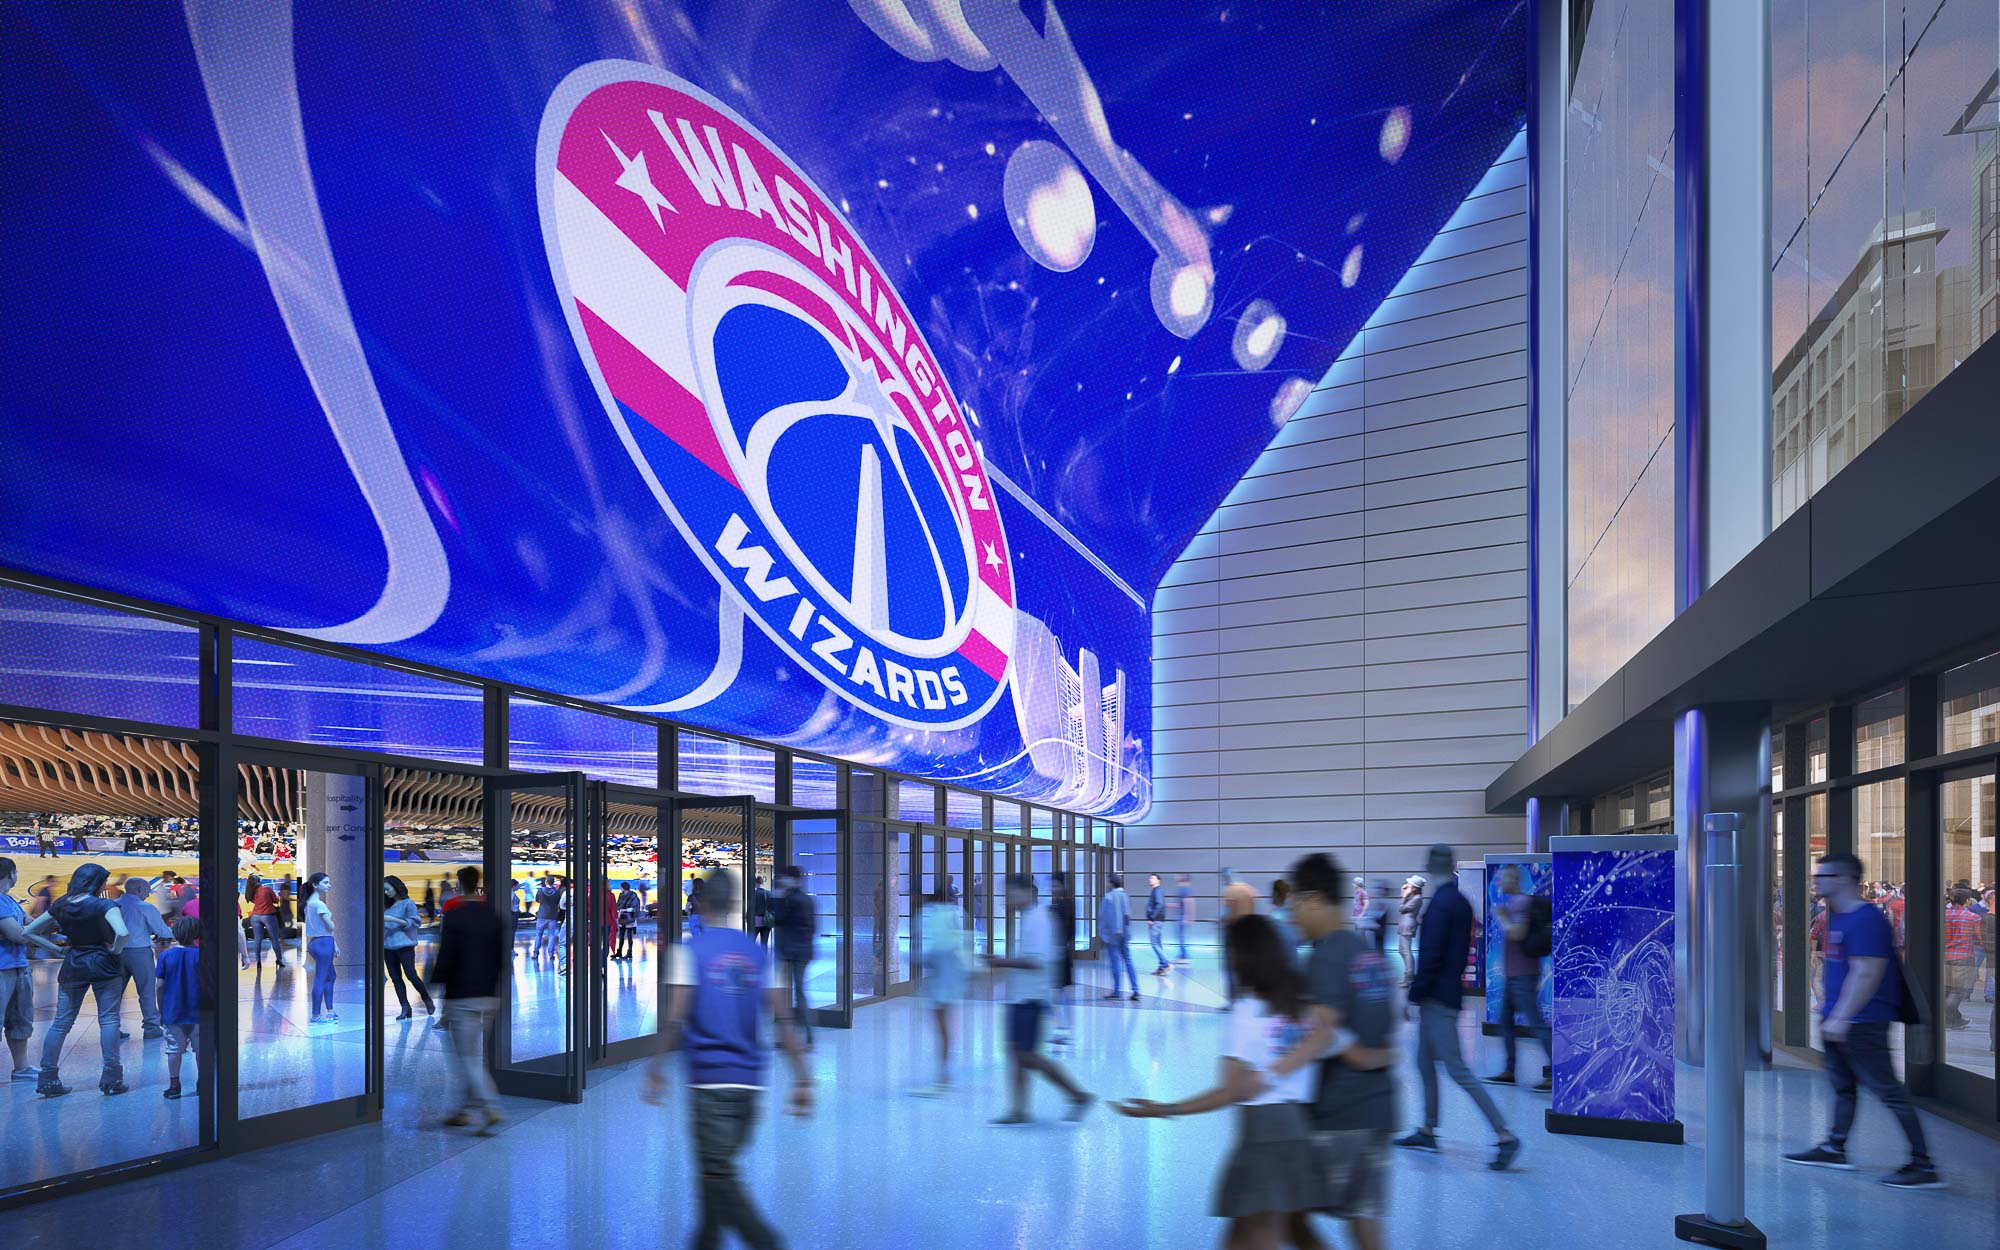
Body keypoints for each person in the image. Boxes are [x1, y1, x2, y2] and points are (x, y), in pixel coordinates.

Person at [1112, 914, 1338, 1245]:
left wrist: (1163, 1108)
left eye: (1230, 951)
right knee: (1283, 1234)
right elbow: (1329, 1039)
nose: (1227, 960)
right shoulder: (1300, 1004)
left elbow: (1231, 1091)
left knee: (1265, 1236)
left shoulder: (1248, 1011)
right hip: (1298, 1133)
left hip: (1264, 1138)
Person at [641, 869, 812, 1250]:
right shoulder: (759, 954)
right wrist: (803, 1079)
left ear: (701, 904)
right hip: (750, 1087)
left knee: (717, 1174)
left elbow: (675, 1018)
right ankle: (705, 1241)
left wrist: (655, 1071)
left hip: (709, 1085)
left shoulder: (689, 953)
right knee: (713, 1173)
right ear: (736, 904)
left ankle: (765, 1242)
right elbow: (784, 1020)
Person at [1266, 853, 1400, 1250]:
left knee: (1289, 1215)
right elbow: (1382, 1036)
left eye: (1295, 906)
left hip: (1340, 1115)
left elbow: (1321, 1034)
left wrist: (1269, 1075)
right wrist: (1376, 1057)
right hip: (1379, 1110)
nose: (1294, 917)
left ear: (1313, 899)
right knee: (1364, 1222)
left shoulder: (1325, 956)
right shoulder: (1370, 955)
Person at [1784, 853, 1940, 1187]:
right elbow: (1841, 967)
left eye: (1822, 875)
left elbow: (1867, 972)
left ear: (1843, 879)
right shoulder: (1838, 916)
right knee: (1844, 1088)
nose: (1816, 880)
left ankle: (1923, 1165)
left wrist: (1841, 1017)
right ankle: (1835, 1147)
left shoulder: (1867, 919)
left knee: (1888, 1092)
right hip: (1839, 1020)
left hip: (1863, 1023)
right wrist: (1828, 1006)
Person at [1396, 843, 1519, 1170]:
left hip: (1438, 998)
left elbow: (1432, 957)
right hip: (1448, 993)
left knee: (1457, 1069)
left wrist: (1412, 996)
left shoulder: (1440, 906)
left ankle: (1504, 1134)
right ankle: (1427, 1129)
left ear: (1432, 867)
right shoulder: (1461, 902)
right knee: (1423, 1061)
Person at [985, 875, 1092, 1125]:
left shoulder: (1040, 919)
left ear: (1026, 892)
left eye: (1010, 894)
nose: (1007, 899)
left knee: (1027, 1056)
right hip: (1020, 997)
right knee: (1016, 1053)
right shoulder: (1029, 918)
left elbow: (1038, 960)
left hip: (1030, 998)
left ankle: (1077, 1095)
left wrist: (1001, 962)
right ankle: (1019, 1110)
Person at [36, 864, 133, 1097]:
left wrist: (56, 950)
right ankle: (111, 1078)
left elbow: (28, 931)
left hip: (73, 964)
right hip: (104, 965)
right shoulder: (105, 904)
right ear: (96, 882)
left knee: (60, 1023)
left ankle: (47, 1078)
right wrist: (116, 951)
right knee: (109, 1020)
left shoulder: (61, 903)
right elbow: (122, 933)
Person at [430, 866, 506, 1135]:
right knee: (476, 1058)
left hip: (462, 995)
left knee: (468, 1057)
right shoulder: (493, 915)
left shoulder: (456, 915)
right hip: (488, 995)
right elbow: (500, 958)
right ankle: (463, 1111)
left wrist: (435, 983)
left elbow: (446, 956)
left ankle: (490, 1106)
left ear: (460, 884)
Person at [1486, 865, 1552, 1091]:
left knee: (1536, 1023)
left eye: (1503, 878)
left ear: (1513, 880)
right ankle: (1509, 1071)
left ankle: (1554, 1073)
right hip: (1514, 975)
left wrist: (1503, 918)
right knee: (1505, 1021)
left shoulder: (1521, 903)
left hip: (1523, 975)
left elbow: (1518, 933)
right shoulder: (1514, 902)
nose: (1499, 882)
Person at [2, 857, 63, 1082]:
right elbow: (18, 934)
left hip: (19, 967)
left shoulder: (9, 901)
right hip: (2, 969)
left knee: (21, 1019)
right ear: (11, 874)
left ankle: (21, 1068)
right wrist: (33, 931)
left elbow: (31, 923)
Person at [915, 882, 969, 1094]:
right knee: (944, 1026)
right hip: (949, 978)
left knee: (943, 1028)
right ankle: (943, 1074)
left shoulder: (931, 915)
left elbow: (931, 949)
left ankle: (943, 1076)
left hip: (943, 979)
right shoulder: (954, 914)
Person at [115, 875, 174, 1040]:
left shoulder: (113, 905)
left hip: (116, 953)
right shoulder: (146, 907)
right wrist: (183, 931)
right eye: (147, 891)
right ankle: (151, 1027)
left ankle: (112, 1028)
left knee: (114, 993)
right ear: (140, 889)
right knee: (146, 991)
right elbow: (162, 932)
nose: (148, 894)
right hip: (139, 953)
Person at [156, 915, 203, 1100]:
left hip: (173, 1013)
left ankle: (174, 1086)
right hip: (200, 1013)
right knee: (202, 1050)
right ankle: (203, 1084)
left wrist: (161, 1011)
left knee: (174, 1050)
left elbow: (160, 986)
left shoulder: (165, 956)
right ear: (197, 933)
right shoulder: (203, 955)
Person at [770, 867, 816, 1048]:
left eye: (787, 878)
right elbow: (812, 927)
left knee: (786, 994)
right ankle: (805, 1036)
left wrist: (777, 898)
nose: (784, 881)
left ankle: (790, 1037)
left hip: (789, 952)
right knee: (800, 993)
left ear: (793, 879)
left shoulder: (790, 899)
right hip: (803, 952)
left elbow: (775, 919)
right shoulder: (807, 899)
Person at [382, 875, 434, 1020]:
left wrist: (393, 920)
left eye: (387, 889)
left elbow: (415, 922)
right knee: (396, 978)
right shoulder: (385, 906)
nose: (386, 893)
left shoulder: (407, 903)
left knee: (411, 974)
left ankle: (426, 999)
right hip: (387, 947)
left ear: (396, 886)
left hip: (404, 946)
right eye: (384, 891)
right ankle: (405, 1007)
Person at [301, 871, 340, 1024]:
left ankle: (330, 1011)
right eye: (325, 883)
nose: (329, 885)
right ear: (315, 885)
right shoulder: (319, 904)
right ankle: (316, 1014)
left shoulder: (309, 903)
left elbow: (326, 930)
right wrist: (333, 925)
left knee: (330, 976)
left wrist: (334, 943)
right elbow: (330, 926)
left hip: (319, 942)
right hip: (324, 943)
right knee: (321, 978)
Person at [1942, 888, 1979, 1030]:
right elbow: (1980, 937)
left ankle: (1955, 1020)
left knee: (1947, 989)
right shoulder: (1972, 917)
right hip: (1963, 956)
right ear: (1967, 900)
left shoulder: (1943, 915)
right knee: (1958, 991)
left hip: (1944, 956)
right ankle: (1946, 1018)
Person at [1099, 873, 1139, 1001]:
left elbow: (1103, 917)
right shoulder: (1125, 896)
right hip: (1124, 934)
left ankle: (1117, 990)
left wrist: (1104, 933)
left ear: (1111, 883)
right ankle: (1135, 989)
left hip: (1112, 934)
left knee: (1115, 961)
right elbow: (1127, 916)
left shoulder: (1109, 897)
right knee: (1128, 960)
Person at [1048, 869, 1075, 1046]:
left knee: (1058, 994)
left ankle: (1063, 1029)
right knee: (1059, 994)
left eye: (1055, 885)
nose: (1052, 888)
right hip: (1061, 954)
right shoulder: (1063, 906)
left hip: (1059, 955)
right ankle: (1062, 1029)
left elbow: (1068, 931)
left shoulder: (1060, 907)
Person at [244, 873, 287, 970]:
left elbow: (255, 902)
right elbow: (275, 901)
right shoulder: (266, 889)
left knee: (257, 939)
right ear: (259, 880)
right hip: (268, 915)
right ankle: (279, 960)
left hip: (255, 916)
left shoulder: (250, 892)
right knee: (274, 939)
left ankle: (258, 961)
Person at [1397, 877, 1422, 988]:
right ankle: (1409, 974)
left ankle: (1409, 978)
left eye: (1409, 884)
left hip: (1408, 925)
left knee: (1406, 952)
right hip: (1404, 924)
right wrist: (1403, 892)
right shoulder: (1412, 896)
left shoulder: (1417, 898)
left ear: (1414, 887)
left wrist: (1404, 896)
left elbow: (1401, 908)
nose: (1406, 884)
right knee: (1401, 950)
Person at [532, 873, 562, 961]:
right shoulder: (557, 892)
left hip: (541, 916)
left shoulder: (540, 891)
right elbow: (557, 902)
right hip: (552, 916)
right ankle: (551, 954)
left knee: (538, 935)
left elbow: (537, 900)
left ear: (546, 882)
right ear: (553, 883)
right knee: (551, 935)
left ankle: (535, 953)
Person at [1145, 873, 1170, 974]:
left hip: (1156, 921)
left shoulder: (1157, 890)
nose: (1150, 879)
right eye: (1150, 878)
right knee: (1158, 944)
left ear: (1158, 881)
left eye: (1152, 878)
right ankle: (1162, 967)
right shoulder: (1155, 891)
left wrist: (1152, 918)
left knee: (1154, 944)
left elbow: (1159, 905)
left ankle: (1165, 964)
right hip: (1157, 920)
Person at [616, 880, 642, 960]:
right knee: (621, 934)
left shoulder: (633, 895)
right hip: (622, 917)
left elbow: (635, 907)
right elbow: (618, 905)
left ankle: (629, 952)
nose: (620, 888)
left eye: (621, 887)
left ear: (624, 888)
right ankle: (619, 951)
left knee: (629, 935)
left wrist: (626, 910)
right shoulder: (621, 895)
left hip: (630, 917)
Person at [1175, 873, 1194, 961]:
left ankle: (1183, 954)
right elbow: (1182, 903)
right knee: (1180, 935)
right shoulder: (1184, 888)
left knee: (1181, 935)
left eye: (1179, 876)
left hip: (1182, 916)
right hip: (1182, 915)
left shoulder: (1184, 889)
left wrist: (1187, 917)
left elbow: (1187, 902)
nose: (1177, 877)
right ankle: (1183, 954)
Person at [752, 875, 771, 946]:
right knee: (764, 943)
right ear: (763, 883)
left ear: (756, 884)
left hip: (756, 920)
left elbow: (751, 907)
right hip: (767, 921)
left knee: (752, 941)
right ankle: (764, 956)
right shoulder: (769, 893)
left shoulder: (753, 894)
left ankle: (753, 956)